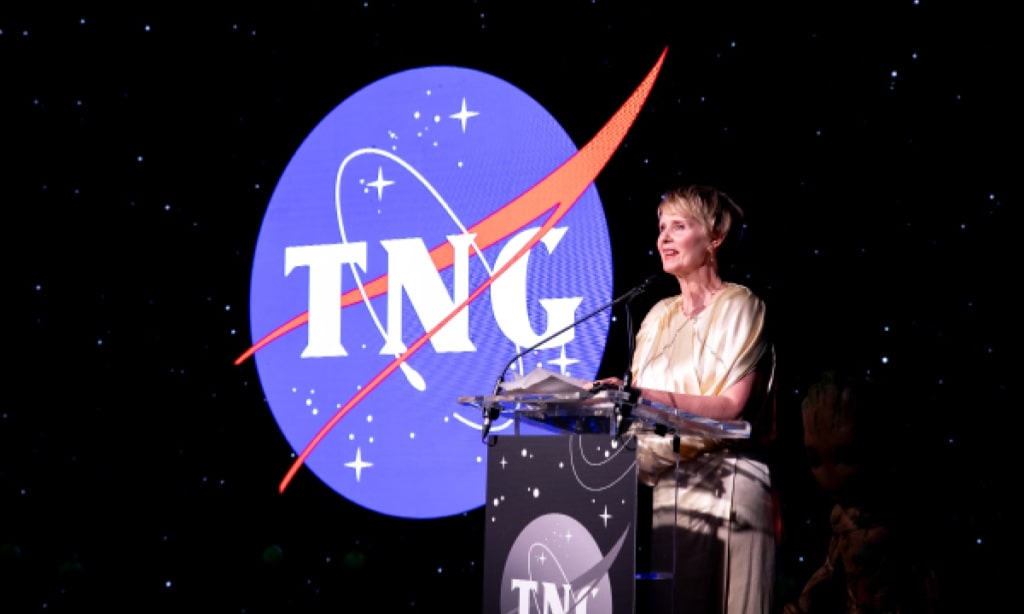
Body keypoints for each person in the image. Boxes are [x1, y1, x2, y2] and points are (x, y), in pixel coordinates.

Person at [594, 184, 777, 613]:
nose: (664, 237)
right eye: (661, 228)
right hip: (671, 487)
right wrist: (607, 397)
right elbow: (639, 404)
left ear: (714, 237)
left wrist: (643, 394)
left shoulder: (741, 305)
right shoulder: (657, 315)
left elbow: (731, 406)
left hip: (730, 485)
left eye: (679, 225)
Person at [783, 369, 939, 614]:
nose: (829, 476)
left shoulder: (897, 521)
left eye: (845, 457)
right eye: (815, 459)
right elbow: (831, 570)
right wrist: (807, 602)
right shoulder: (843, 519)